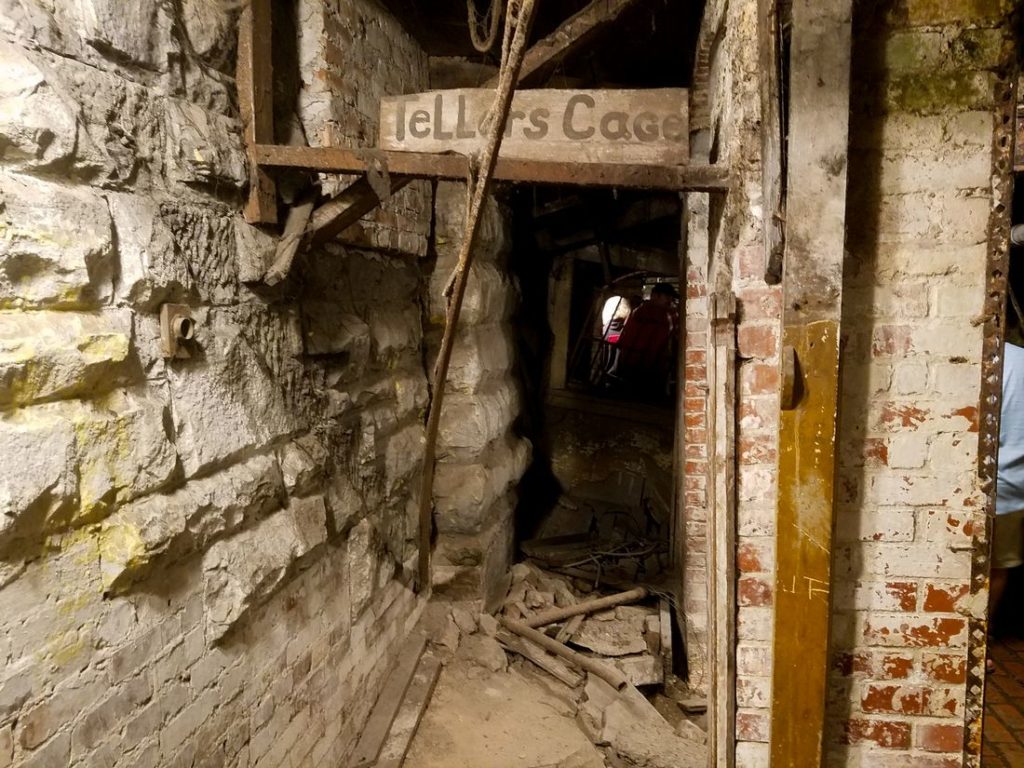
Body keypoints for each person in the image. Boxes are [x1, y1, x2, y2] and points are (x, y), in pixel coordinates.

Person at [992, 284, 1024, 670]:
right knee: (996, 569)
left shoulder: (986, 362)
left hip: (979, 479)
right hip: (1016, 484)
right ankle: (981, 640)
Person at [614, 281, 678, 398]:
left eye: (671, 297)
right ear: (655, 295)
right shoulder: (661, 314)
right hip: (648, 363)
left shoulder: (640, 310)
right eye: (667, 296)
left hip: (635, 360)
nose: (670, 300)